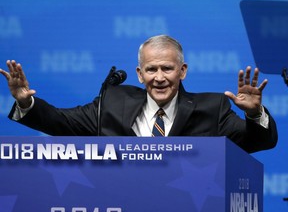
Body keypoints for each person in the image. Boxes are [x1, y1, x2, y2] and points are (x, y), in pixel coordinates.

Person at [0, 35, 277, 153]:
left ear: (182, 71)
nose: (159, 78)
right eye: (151, 69)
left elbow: (258, 142)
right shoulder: (113, 100)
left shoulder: (212, 107)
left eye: (167, 69)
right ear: (139, 73)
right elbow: (62, 122)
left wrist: (254, 113)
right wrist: (27, 102)